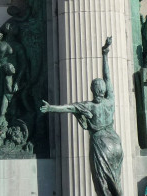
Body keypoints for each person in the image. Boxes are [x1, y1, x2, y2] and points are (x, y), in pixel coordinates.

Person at [41, 37, 123, 196]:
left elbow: (68, 108)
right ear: (104, 90)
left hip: (101, 143)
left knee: (102, 182)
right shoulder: (110, 101)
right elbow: (108, 76)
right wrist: (105, 55)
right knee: (116, 179)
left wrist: (51, 107)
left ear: (92, 89)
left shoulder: (89, 105)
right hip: (116, 143)